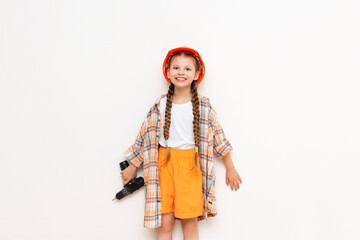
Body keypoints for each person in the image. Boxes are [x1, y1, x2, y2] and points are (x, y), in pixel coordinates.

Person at [121, 46, 242, 240]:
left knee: (189, 224)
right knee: (165, 224)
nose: (181, 72)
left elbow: (218, 137)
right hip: (164, 166)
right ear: (168, 72)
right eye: (176, 68)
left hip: (191, 168)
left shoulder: (203, 105)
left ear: (196, 74)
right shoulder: (159, 105)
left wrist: (230, 167)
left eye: (187, 69)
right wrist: (133, 166)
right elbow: (145, 137)